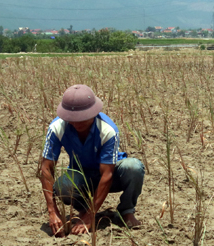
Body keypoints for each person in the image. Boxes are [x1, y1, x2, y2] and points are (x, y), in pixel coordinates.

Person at [39, 84, 145, 237]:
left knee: (134, 167)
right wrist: (52, 211)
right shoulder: (57, 127)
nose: (76, 123)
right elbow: (46, 169)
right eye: (72, 119)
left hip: (111, 175)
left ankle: (125, 212)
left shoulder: (108, 130)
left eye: (82, 118)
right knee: (63, 186)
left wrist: (91, 216)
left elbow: (107, 175)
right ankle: (83, 208)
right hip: (81, 176)